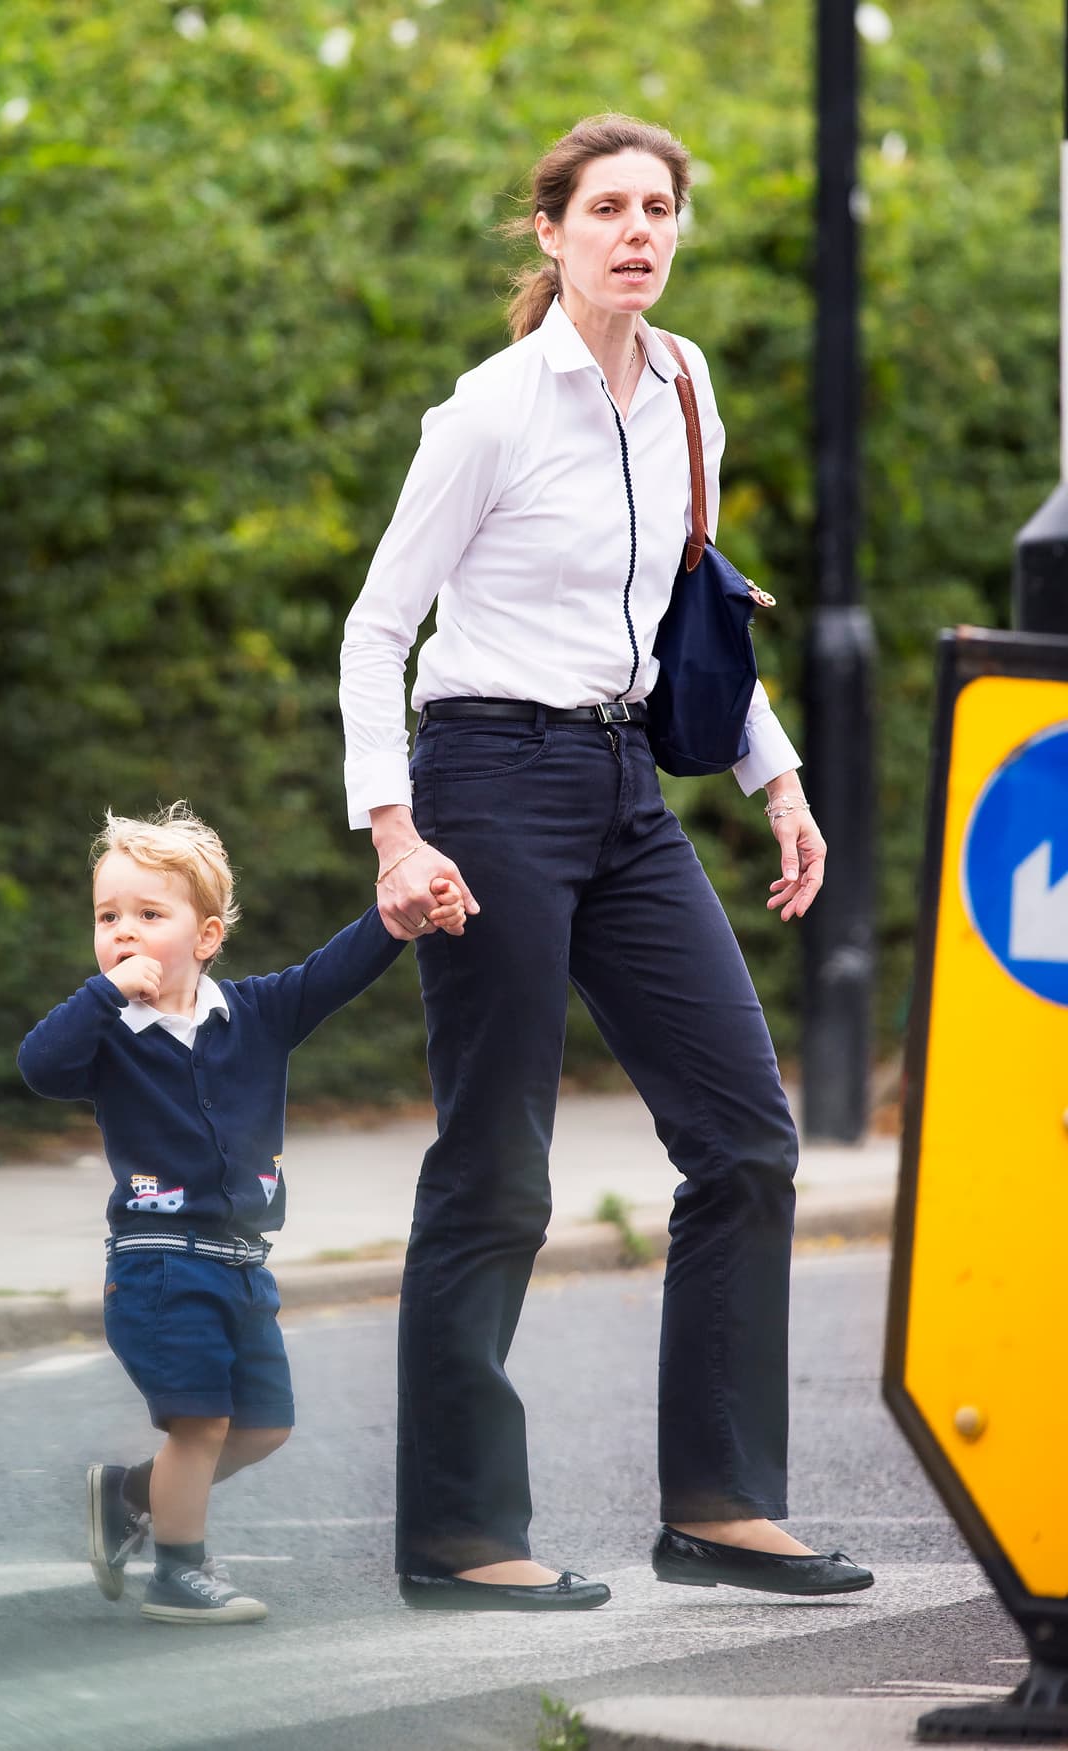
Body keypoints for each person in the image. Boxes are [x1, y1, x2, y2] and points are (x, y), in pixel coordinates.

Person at [339, 114, 874, 1610]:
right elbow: (379, 628)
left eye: (660, 209)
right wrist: (396, 828)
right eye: (609, 209)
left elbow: (688, 600)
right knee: (498, 1158)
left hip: (625, 778)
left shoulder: (687, 385)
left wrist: (779, 777)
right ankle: (459, 1532)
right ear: (553, 233)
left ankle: (720, 1502)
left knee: (745, 1135)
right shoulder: (492, 410)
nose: (638, 231)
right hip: (486, 781)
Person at [17, 801, 465, 1623]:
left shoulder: (254, 1014)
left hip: (242, 1264)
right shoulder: (108, 1033)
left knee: (262, 1425)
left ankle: (127, 1495)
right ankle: (179, 1572)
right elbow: (39, 1065)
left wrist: (400, 916)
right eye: (107, 916)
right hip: (156, 1263)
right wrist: (103, 994)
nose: (124, 931)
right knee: (201, 1423)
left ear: (207, 935)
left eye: (150, 915)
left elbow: (336, 970)